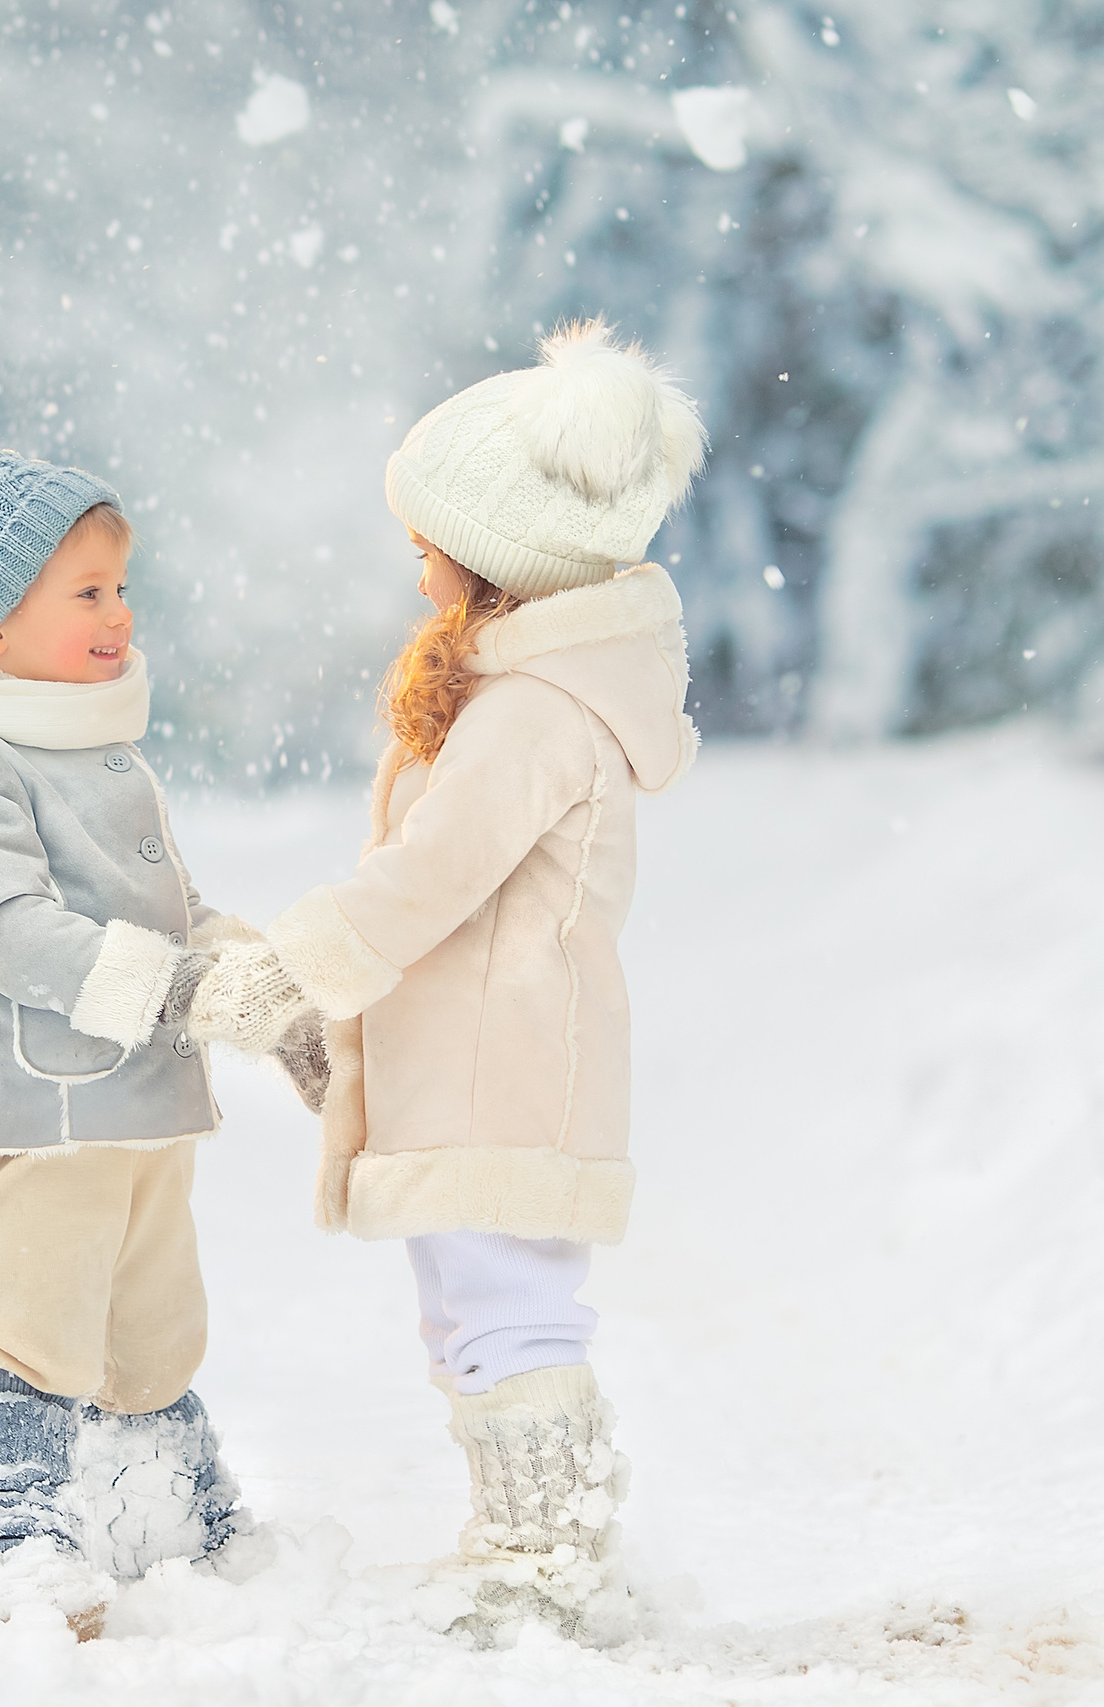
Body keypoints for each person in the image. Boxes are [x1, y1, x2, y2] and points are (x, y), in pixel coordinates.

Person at [246, 321, 706, 1641]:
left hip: (507, 1056)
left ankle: (552, 1557)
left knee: (509, 1312)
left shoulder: (537, 711)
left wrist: (301, 958)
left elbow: (435, 872)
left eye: (428, 529)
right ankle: (520, 1536)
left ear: (506, 552)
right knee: (468, 1311)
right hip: (471, 1052)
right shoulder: (520, 687)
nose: (415, 552)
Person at [0, 395, 324, 1582]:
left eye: (119, 587)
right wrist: (174, 993)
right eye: (85, 593)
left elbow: (170, 918)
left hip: (140, 1110)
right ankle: (0, 1525)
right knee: (38, 1317)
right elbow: (11, 931)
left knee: (154, 1333)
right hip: (35, 1113)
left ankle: (155, 1498)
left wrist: (266, 990)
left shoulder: (106, 760)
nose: (118, 614)